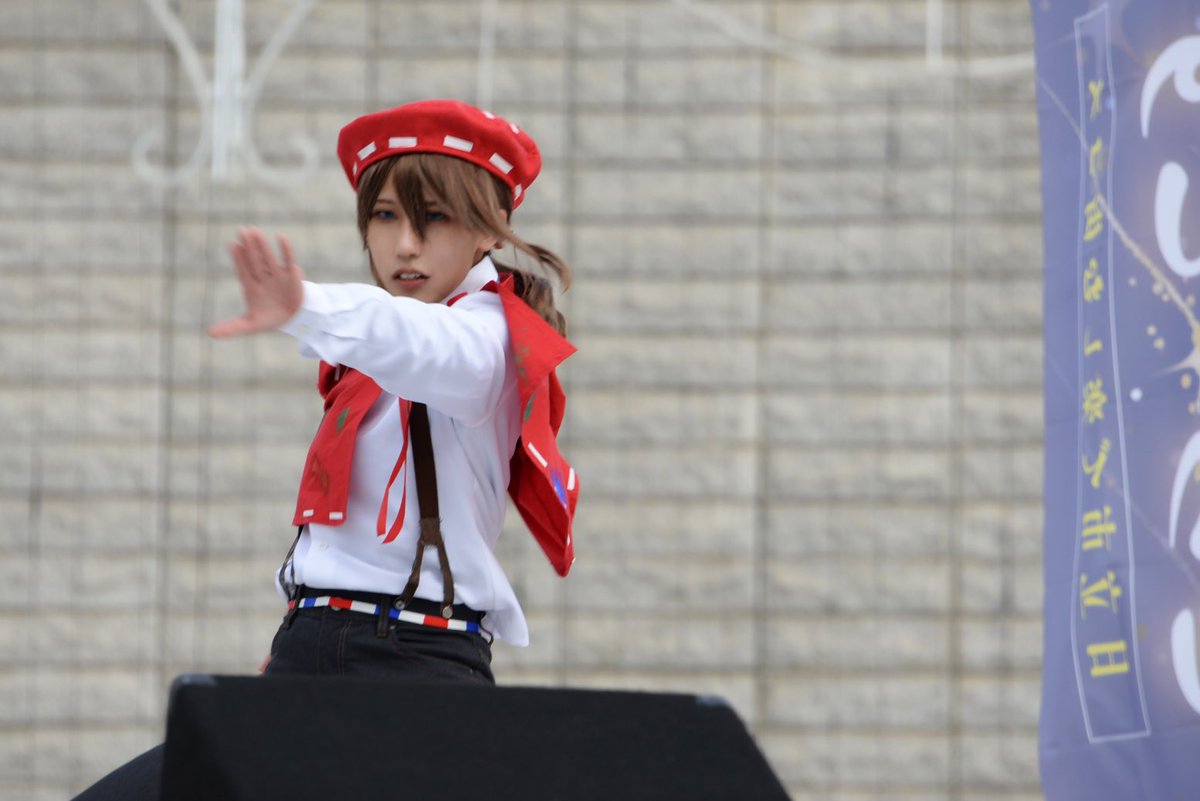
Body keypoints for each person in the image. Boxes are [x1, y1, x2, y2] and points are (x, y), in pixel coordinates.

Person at [72, 99, 579, 799]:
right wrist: (299, 640)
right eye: (385, 216)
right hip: (308, 652)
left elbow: (412, 340)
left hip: (415, 664)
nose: (405, 244)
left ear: (488, 228)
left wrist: (304, 306)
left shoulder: (488, 342)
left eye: (434, 218)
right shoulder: (370, 359)